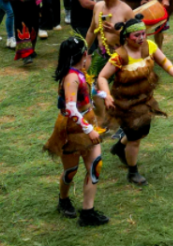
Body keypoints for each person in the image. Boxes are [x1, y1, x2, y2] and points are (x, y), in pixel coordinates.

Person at [99, 18, 173, 185]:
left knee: (140, 131)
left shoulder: (149, 46)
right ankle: (132, 172)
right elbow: (102, 77)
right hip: (125, 103)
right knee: (135, 138)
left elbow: (163, 60)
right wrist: (107, 95)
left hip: (144, 100)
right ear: (126, 37)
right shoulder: (120, 57)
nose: (141, 38)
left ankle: (120, 147)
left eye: (143, 33)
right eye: (136, 35)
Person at [43, 37, 109, 227]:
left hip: (87, 122)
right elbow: (71, 109)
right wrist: (89, 130)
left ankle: (87, 213)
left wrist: (105, 96)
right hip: (71, 129)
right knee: (71, 171)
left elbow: (87, 93)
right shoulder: (71, 78)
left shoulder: (80, 72)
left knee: (95, 166)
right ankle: (63, 200)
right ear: (83, 55)